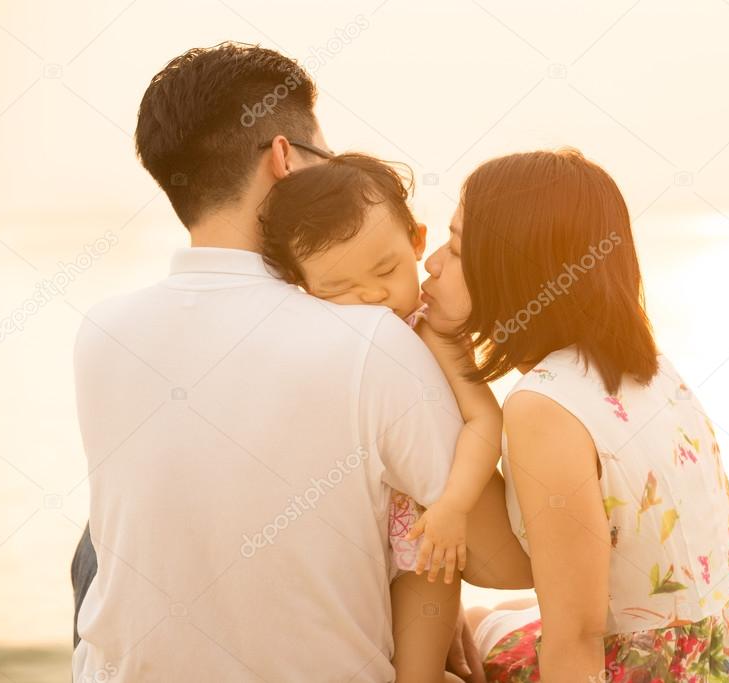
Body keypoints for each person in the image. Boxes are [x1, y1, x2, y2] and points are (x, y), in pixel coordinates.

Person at [71, 42, 528, 682]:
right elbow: (503, 563)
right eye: (326, 160)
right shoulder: (371, 337)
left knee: (93, 548)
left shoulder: (101, 332)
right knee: (499, 616)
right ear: (285, 159)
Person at [419, 149, 729, 681]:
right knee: (486, 616)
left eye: (458, 247)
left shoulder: (543, 407)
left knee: (453, 647)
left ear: (513, 270)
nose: (432, 263)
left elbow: (576, 635)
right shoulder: (644, 362)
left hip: (659, 668)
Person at [255, 153, 520, 680]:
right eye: (338, 290)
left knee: (417, 666)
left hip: (428, 534)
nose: (374, 296)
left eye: (386, 271)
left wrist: (452, 505)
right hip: (365, 534)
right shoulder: (322, 340)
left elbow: (484, 420)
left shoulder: (431, 329)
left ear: (418, 240)